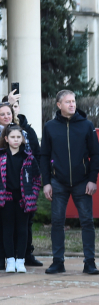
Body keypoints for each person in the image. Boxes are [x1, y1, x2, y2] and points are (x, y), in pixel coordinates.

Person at [39, 90, 99, 275]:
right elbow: (44, 156)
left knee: (87, 222)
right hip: (58, 182)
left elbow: (95, 154)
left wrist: (92, 179)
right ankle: (58, 261)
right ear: (59, 105)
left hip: (83, 182)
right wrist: (46, 182)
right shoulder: (50, 127)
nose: (72, 104)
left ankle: (89, 262)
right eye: (67, 102)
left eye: (73, 101)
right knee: (57, 222)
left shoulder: (86, 125)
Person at [0, 98, 41, 268]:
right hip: (7, 198)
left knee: (23, 229)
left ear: (22, 139)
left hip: (24, 199)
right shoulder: (2, 157)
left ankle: (21, 260)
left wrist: (32, 194)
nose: (16, 140)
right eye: (12, 137)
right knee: (7, 229)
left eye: (18, 137)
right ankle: (9, 260)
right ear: (6, 139)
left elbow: (36, 178)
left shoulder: (28, 158)